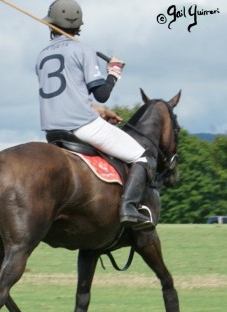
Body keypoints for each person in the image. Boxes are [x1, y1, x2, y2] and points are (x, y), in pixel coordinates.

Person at [36, 0, 156, 230]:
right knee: (143, 156)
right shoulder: (83, 50)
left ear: (51, 25)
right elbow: (101, 93)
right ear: (78, 26)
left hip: (52, 131)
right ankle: (129, 208)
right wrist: (114, 73)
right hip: (81, 126)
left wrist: (99, 112)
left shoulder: (41, 56)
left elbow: (67, 96)